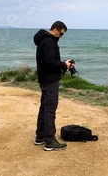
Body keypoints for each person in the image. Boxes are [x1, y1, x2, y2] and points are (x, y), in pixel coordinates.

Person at [33, 20, 74, 151]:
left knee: (44, 108)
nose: (61, 37)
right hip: (50, 80)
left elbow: (48, 61)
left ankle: (40, 137)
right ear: (55, 30)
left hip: (45, 78)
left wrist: (63, 63)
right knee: (50, 109)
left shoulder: (44, 40)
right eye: (61, 34)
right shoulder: (49, 42)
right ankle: (50, 141)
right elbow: (50, 62)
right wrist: (64, 65)